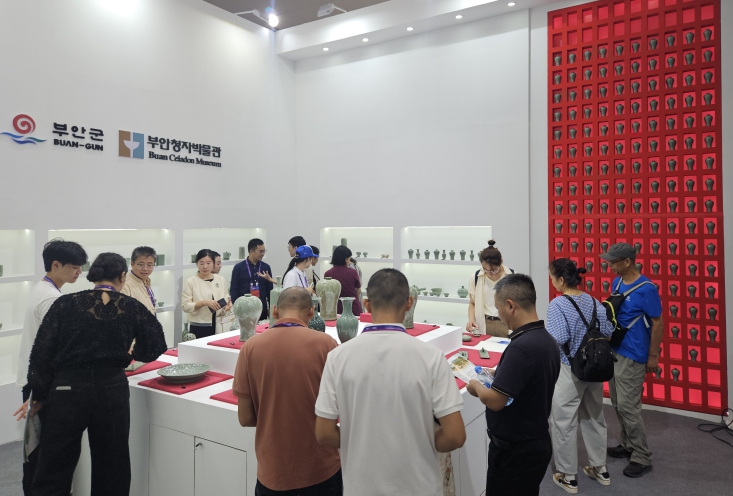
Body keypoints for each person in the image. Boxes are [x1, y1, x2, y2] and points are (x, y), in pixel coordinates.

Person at [26, 252, 167, 496]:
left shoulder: (65, 303)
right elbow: (156, 345)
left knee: (55, 462)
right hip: (112, 387)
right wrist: (130, 354)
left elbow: (41, 352)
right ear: (122, 276)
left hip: (67, 388)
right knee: (112, 462)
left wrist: (38, 393)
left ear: (93, 274)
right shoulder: (131, 306)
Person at [315, 269, 466, 495]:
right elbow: (455, 435)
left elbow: (324, 433)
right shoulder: (431, 357)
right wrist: (421, 441)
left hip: (361, 487)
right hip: (419, 486)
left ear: (366, 304)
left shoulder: (338, 357)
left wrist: (360, 443)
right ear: (409, 303)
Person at [233, 287, 342, 495]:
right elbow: (339, 408)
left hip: (272, 471)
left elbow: (245, 418)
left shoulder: (250, 347)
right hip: (320, 468)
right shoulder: (326, 344)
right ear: (311, 312)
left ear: (274, 311)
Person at [466, 273, 560, 496]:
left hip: (515, 453)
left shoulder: (522, 347)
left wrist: (475, 386)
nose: (499, 316)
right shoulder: (545, 339)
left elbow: (495, 401)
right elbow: (528, 380)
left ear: (510, 306)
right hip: (534, 441)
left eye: (498, 309)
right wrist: (500, 374)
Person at [14, 239, 87, 496]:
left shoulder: (44, 289)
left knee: (36, 453)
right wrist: (41, 393)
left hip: (36, 380)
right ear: (56, 265)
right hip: (43, 383)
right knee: (48, 455)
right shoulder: (51, 298)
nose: (79, 272)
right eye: (74, 267)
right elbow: (53, 349)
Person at [547, 259, 613, 493]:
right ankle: (600, 469)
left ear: (561, 280)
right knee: (594, 417)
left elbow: (558, 338)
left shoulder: (557, 304)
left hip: (569, 368)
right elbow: (607, 331)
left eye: (552, 278)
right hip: (594, 369)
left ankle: (568, 476)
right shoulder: (595, 302)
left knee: (563, 422)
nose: (552, 282)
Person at [599, 243, 662, 478]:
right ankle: (627, 444)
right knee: (618, 403)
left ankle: (641, 456)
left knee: (628, 406)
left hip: (634, 353)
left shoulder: (647, 289)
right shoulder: (618, 282)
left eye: (613, 261)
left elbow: (658, 324)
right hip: (616, 349)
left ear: (627, 261)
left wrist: (653, 356)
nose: (609, 265)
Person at [182, 249, 232, 339]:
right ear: (196, 264)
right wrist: (204, 302)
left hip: (219, 324)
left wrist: (227, 307)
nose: (205, 267)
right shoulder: (190, 282)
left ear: (213, 264)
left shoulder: (221, 279)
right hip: (199, 326)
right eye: (201, 263)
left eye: (208, 263)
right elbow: (185, 306)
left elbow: (226, 298)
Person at [467, 240, 513, 337]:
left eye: (493, 270)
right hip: (484, 323)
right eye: (485, 269)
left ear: (501, 262)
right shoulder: (476, 277)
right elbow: (472, 303)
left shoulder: (511, 276)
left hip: (506, 324)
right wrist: (471, 320)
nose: (489, 273)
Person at [230, 238, 275, 321]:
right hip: (244, 310)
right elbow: (234, 289)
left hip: (262, 309)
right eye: (260, 251)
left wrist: (271, 307)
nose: (263, 254)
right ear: (251, 251)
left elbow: (269, 289)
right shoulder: (238, 268)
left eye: (264, 251)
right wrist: (236, 308)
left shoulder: (266, 267)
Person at [324, 245, 362, 316]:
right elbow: (358, 290)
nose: (350, 261)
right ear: (346, 259)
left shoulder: (327, 274)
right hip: (352, 307)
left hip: (335, 309)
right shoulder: (353, 272)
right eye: (349, 258)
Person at [121, 246, 157, 314]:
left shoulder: (147, 280)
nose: (145, 269)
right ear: (132, 264)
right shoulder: (125, 284)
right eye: (141, 264)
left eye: (149, 265)